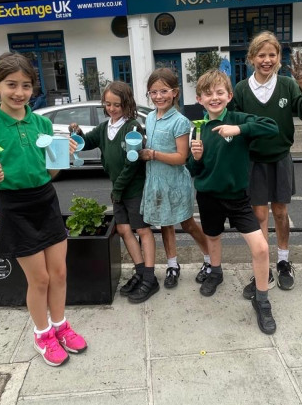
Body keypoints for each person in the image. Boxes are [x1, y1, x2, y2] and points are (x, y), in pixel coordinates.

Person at [0, 52, 86, 367]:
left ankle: (61, 326)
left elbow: (50, 173)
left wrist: (62, 156)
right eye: (11, 84)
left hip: (45, 199)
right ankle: (42, 334)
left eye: (25, 85)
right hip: (14, 206)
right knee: (39, 280)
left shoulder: (42, 123)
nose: (19, 92)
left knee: (60, 273)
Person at [187, 70, 280, 334]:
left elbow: (272, 128)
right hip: (208, 197)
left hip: (238, 198)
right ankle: (215, 272)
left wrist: (238, 129)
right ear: (199, 99)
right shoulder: (198, 129)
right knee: (213, 238)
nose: (214, 98)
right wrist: (196, 158)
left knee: (260, 248)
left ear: (229, 96)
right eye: (208, 94)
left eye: (219, 93)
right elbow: (194, 172)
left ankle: (262, 301)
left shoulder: (239, 119)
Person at [230, 32, 302, 299]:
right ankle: (262, 267)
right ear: (251, 58)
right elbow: (232, 121)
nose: (267, 60)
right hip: (253, 161)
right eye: (261, 55)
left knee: (280, 213)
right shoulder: (242, 89)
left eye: (272, 55)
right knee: (259, 217)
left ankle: (283, 261)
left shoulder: (288, 84)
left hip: (280, 158)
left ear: (278, 57)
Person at [69, 81, 158, 304]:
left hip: (134, 188)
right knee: (124, 229)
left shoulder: (133, 127)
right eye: (107, 104)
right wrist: (77, 133)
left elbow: (133, 163)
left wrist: (117, 188)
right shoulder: (104, 127)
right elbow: (87, 142)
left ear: (126, 103)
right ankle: (139, 271)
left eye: (116, 104)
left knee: (142, 229)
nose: (111, 108)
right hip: (118, 190)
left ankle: (149, 277)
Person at [139, 68, 213, 290]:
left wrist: (153, 154)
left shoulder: (180, 121)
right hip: (156, 180)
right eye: (153, 92)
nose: (158, 96)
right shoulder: (150, 117)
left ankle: (210, 260)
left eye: (163, 91)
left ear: (175, 93)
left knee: (188, 223)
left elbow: (182, 157)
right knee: (165, 224)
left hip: (176, 182)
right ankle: (172, 265)